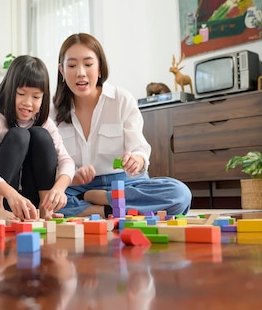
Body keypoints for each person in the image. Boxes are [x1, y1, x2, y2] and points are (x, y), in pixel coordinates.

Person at [52, 33, 192, 218]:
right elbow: (52, 165)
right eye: (72, 66)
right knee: (49, 200)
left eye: (88, 64)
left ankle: (99, 201)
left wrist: (137, 160)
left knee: (179, 194)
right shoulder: (52, 111)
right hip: (77, 187)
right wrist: (71, 178)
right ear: (62, 71)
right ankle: (106, 210)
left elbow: (139, 149)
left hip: (126, 184)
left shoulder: (121, 99)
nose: (80, 72)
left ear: (100, 68)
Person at [0, 55, 74, 221]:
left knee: (40, 134)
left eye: (36, 97)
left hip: (29, 200)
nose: (28, 102)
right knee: (19, 135)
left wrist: (59, 188)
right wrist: (11, 194)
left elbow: (67, 161)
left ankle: (44, 208)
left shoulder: (45, 123)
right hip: (2, 197)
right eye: (21, 94)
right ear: (10, 91)